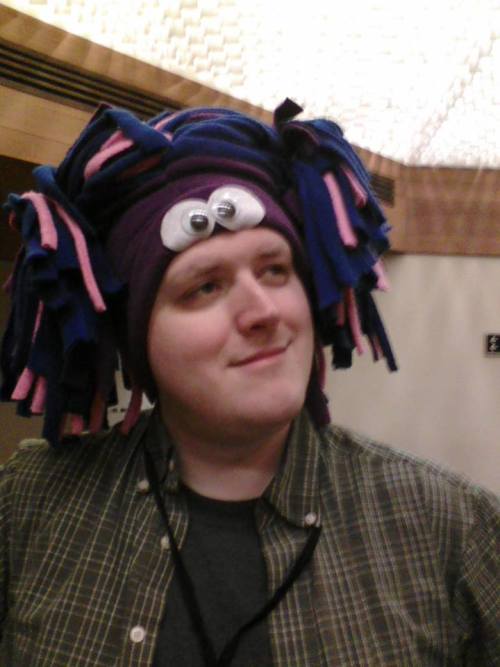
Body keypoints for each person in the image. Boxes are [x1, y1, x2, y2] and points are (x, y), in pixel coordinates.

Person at [0, 100, 498, 667]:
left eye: (275, 270)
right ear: (139, 342)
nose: (264, 311)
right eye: (205, 287)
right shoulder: (28, 504)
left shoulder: (452, 527)